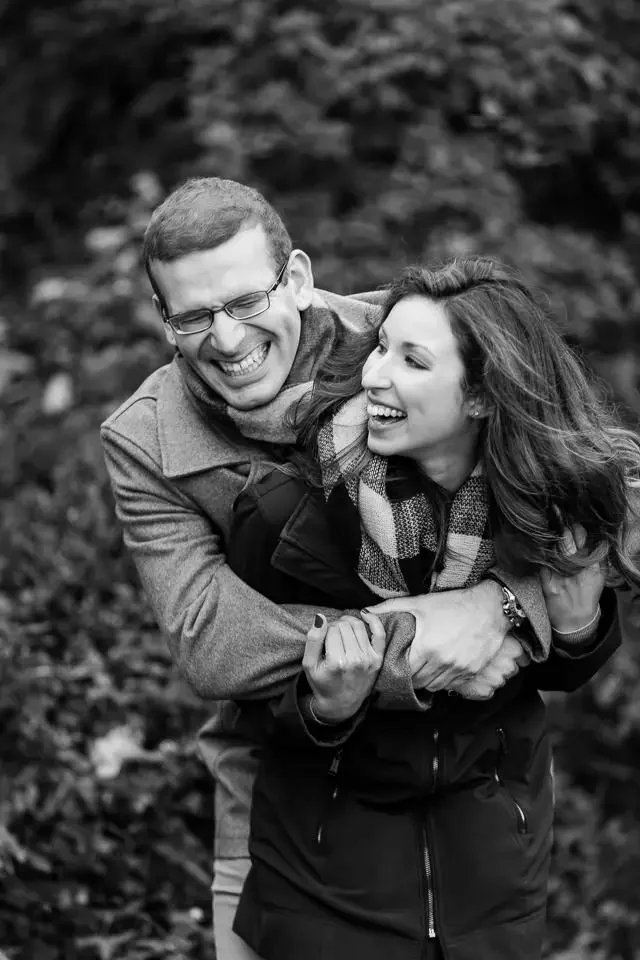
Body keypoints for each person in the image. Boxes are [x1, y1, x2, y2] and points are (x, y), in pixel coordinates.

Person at [100, 180, 624, 959]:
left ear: (301, 279)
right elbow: (213, 639)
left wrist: (499, 603)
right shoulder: (146, 442)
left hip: (473, 786)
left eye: (246, 302)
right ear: (162, 318)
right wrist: (411, 640)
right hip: (280, 779)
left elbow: (586, 487)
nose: (227, 338)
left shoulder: (402, 339)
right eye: (193, 315)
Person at [227, 258, 640, 959]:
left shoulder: (541, 506)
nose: (375, 375)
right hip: (326, 888)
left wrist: (570, 627)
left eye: (412, 360)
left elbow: (552, 669)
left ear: (481, 396)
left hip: (490, 882)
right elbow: (248, 692)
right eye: (381, 347)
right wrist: (325, 706)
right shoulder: (286, 516)